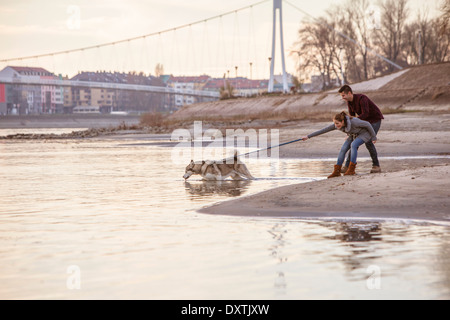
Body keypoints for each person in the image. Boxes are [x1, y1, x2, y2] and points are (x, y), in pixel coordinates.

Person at [302, 111, 377, 178]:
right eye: (334, 123)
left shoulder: (354, 122)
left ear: (343, 121)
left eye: (337, 123)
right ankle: (337, 172)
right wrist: (308, 136)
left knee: (353, 145)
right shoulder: (337, 125)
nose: (336, 125)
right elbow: (323, 130)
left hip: (365, 133)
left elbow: (367, 124)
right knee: (343, 149)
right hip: (354, 134)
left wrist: (374, 137)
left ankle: (351, 170)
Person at [338, 85, 384, 173]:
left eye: (343, 95)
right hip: (364, 122)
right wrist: (349, 132)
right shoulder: (349, 102)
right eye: (341, 96)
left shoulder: (362, 98)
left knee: (368, 142)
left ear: (349, 93)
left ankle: (376, 166)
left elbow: (365, 114)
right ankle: (347, 166)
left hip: (374, 120)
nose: (342, 97)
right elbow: (352, 117)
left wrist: (355, 122)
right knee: (354, 141)